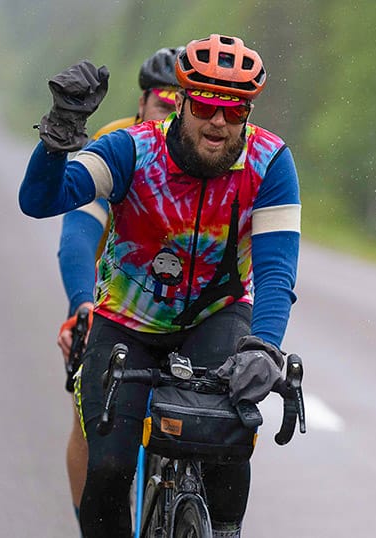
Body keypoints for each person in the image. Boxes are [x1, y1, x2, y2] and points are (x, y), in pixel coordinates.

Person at [22, 33, 301, 538]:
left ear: (248, 112)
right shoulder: (132, 149)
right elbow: (39, 201)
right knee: (108, 471)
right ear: (183, 102)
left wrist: (266, 345)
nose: (218, 121)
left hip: (215, 317)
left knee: (229, 443)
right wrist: (58, 132)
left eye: (234, 110)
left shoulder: (269, 162)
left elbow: (277, 271)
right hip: (127, 322)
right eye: (207, 105)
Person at [54, 45, 184, 528]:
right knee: (93, 421)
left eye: (183, 106)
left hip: (190, 307)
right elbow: (78, 235)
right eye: (163, 105)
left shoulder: (216, 153)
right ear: (142, 105)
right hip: (117, 298)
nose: (173, 117)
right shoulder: (119, 146)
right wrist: (81, 305)